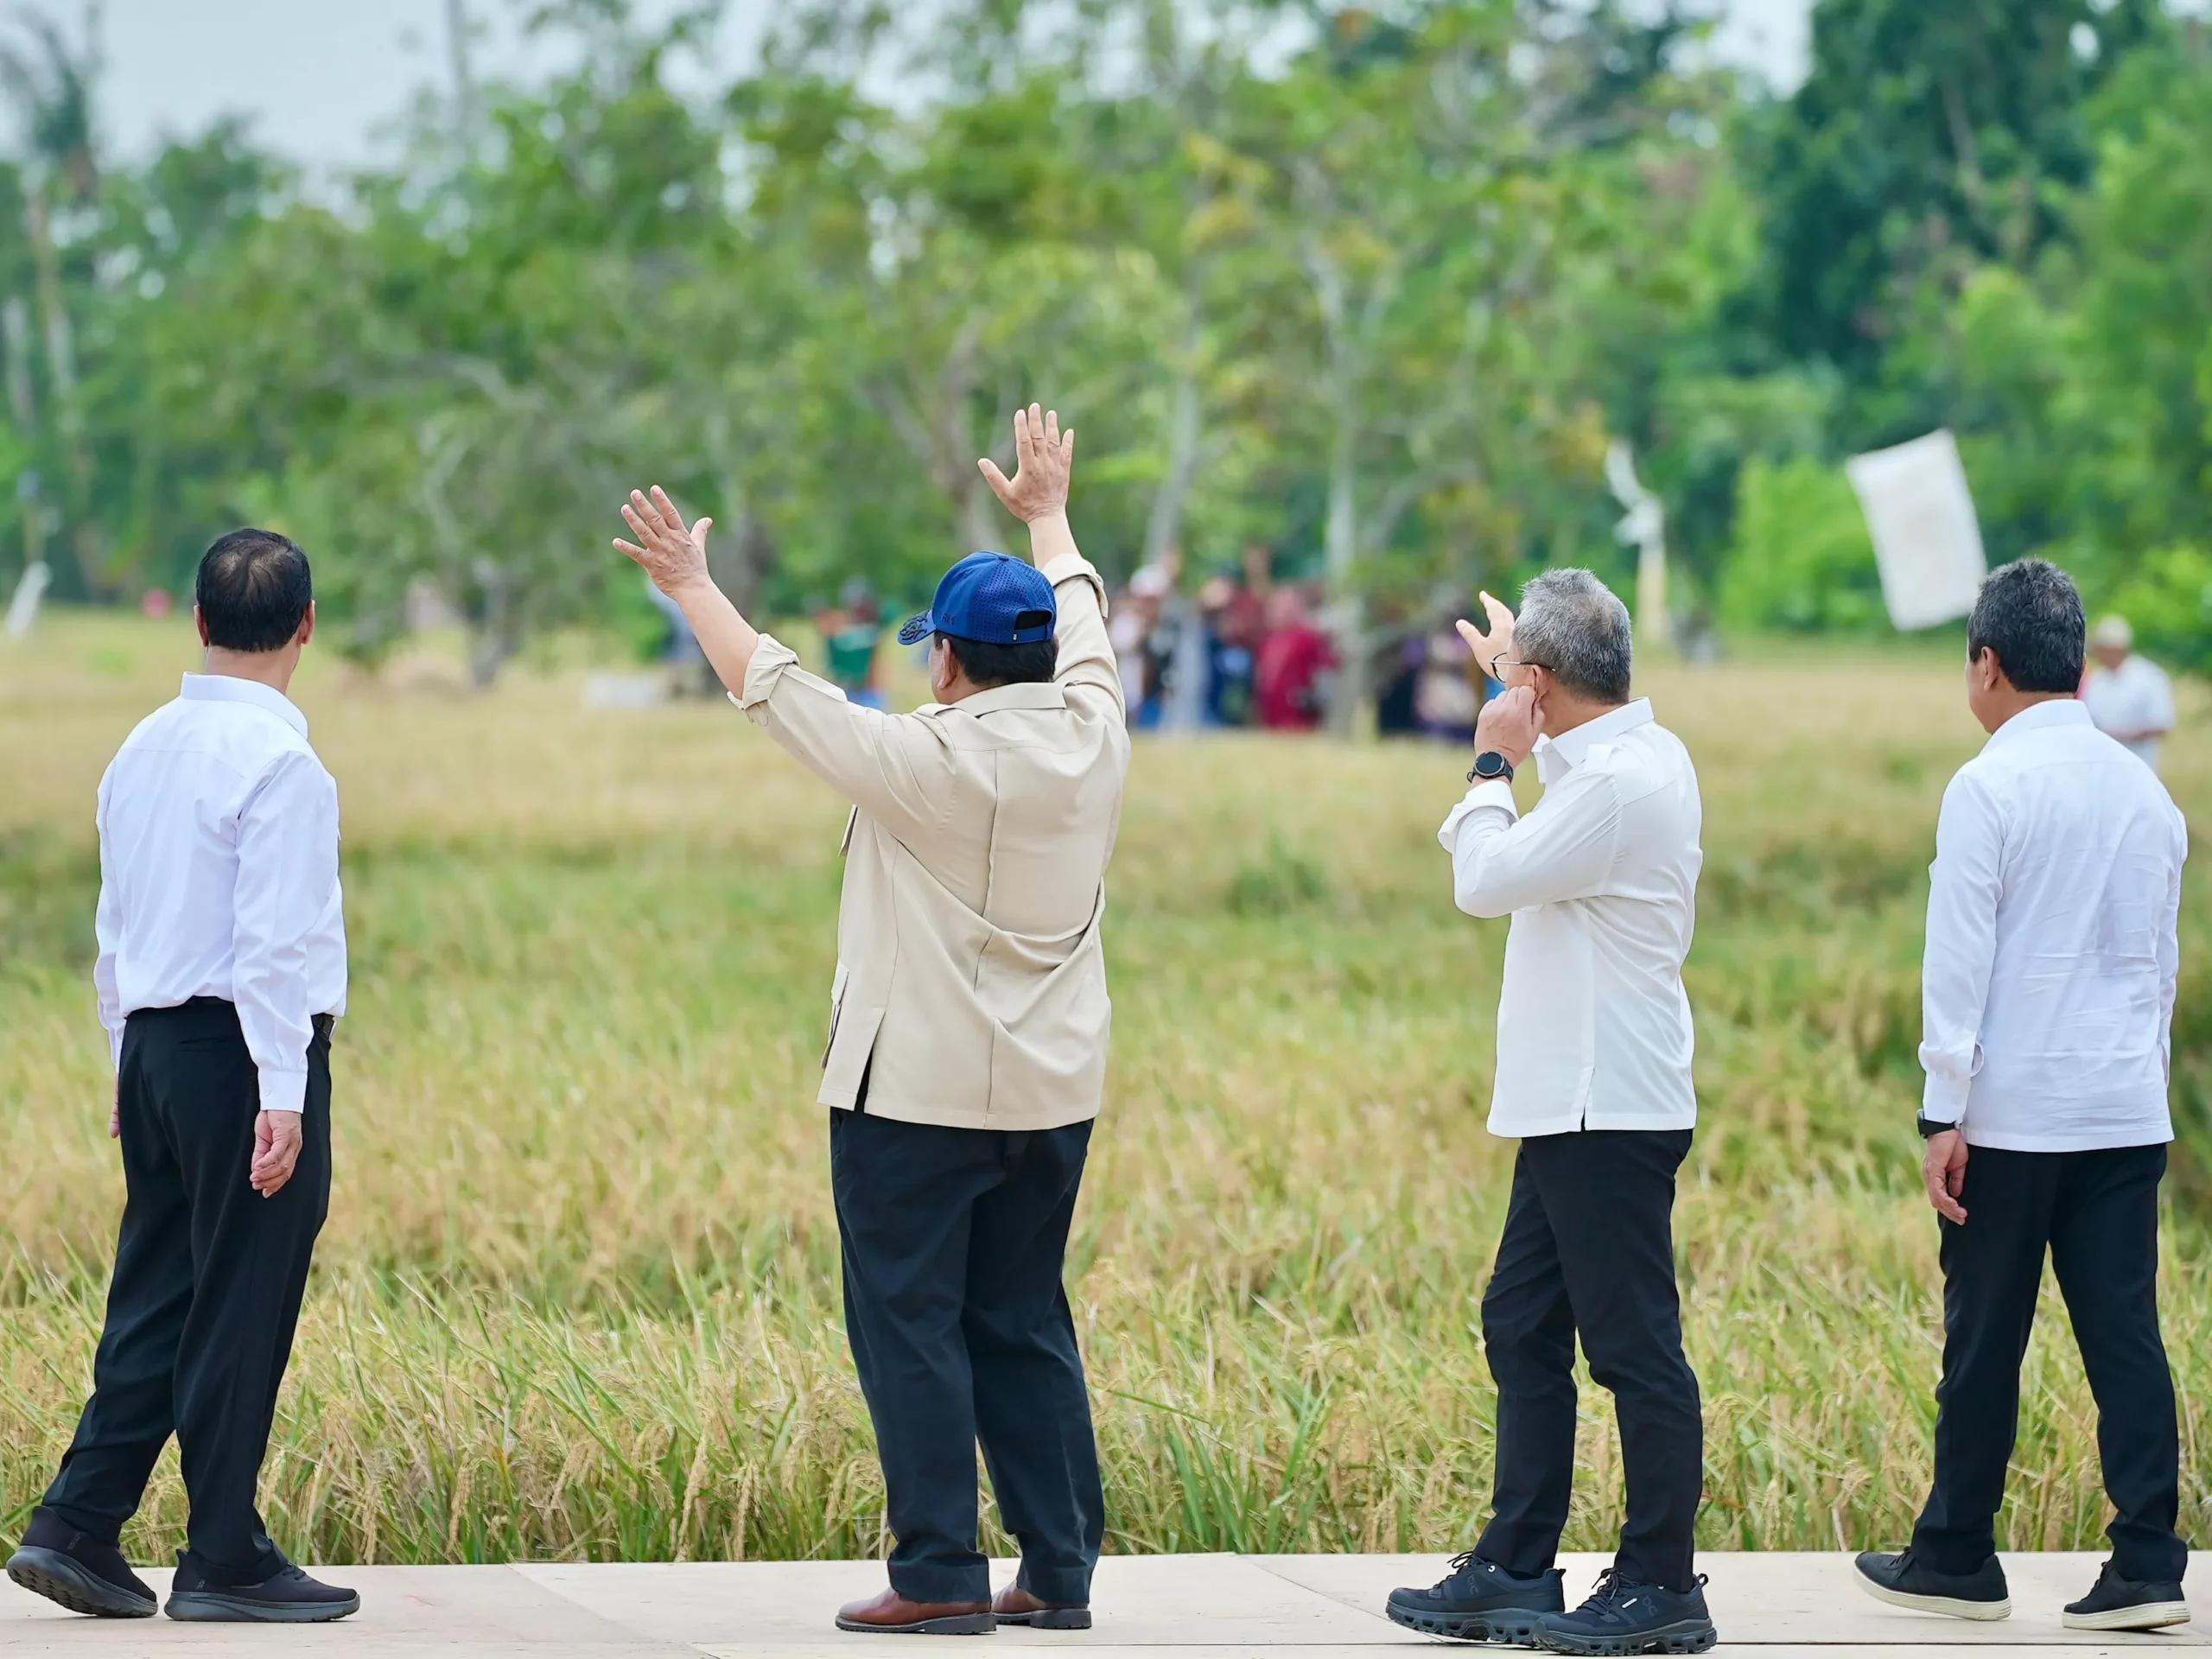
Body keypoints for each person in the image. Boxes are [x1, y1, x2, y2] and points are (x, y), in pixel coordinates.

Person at [612, 405, 1127, 1637]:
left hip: (913, 1103)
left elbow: (775, 688)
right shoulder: (1099, 734)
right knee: (1025, 1320)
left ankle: (941, 1572)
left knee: (910, 1325)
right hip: (1052, 1095)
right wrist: (1052, 517)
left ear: (944, 659)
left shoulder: (922, 761)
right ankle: (1057, 1570)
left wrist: (691, 581)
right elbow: (1091, 622)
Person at [4, 531, 359, 1624]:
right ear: (305, 625)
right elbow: (274, 950)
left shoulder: (140, 749)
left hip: (157, 1050)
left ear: (198, 623)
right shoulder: (285, 766)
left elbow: (114, 932)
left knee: (157, 1289)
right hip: (241, 1056)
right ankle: (223, 1557)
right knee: (243, 1298)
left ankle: (77, 1522)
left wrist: (126, 1065)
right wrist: (285, 1095)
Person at [1854, 560, 2190, 1635]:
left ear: (1984, 664)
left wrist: (1938, 1111)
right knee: (2126, 1340)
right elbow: (2161, 967)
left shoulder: (1987, 785)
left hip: (2011, 1118)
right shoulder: (2146, 791)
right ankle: (2147, 1564)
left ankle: (1956, 1553)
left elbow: (1958, 962)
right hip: (2124, 1109)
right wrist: (2140, 1079)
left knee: (1984, 1338)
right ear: (2083, 663)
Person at [1388, 569, 1717, 1655]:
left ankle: (1661, 1583)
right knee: (1521, 1326)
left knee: (1633, 1349)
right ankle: (1518, 1565)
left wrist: (1491, 756)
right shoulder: (1628, 755)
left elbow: (1484, 879)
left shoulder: (1616, 785)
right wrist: (1514, 684)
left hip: (1605, 1102)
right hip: (1573, 1101)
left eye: (1520, 678)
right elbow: (1564, 755)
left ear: (1540, 681)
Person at [2080, 613, 2174, 772]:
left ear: (2115, 648)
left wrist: (2123, 735)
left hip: (2141, 767)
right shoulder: (2096, 681)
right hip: (2102, 769)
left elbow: (2161, 724)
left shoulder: (2149, 677)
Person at [1254, 585, 1334, 730]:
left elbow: (1326, 669)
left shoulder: (1308, 637)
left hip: (1298, 716)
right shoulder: (1269, 640)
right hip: (1271, 715)